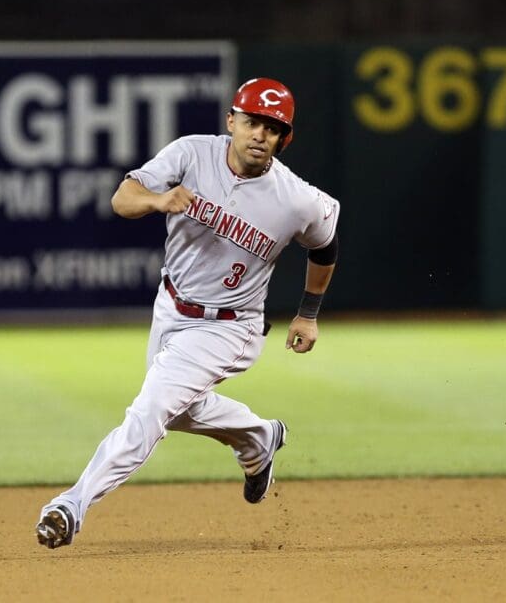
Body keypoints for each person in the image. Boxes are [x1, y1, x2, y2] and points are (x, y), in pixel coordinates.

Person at [36, 77, 340, 549]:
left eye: (273, 128)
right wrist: (158, 199)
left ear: (285, 139)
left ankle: (71, 505)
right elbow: (122, 198)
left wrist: (308, 313)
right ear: (231, 121)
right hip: (170, 304)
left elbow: (325, 246)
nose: (261, 134)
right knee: (179, 411)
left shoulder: (297, 198)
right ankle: (259, 438)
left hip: (229, 326)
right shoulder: (191, 154)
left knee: (151, 410)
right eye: (253, 121)